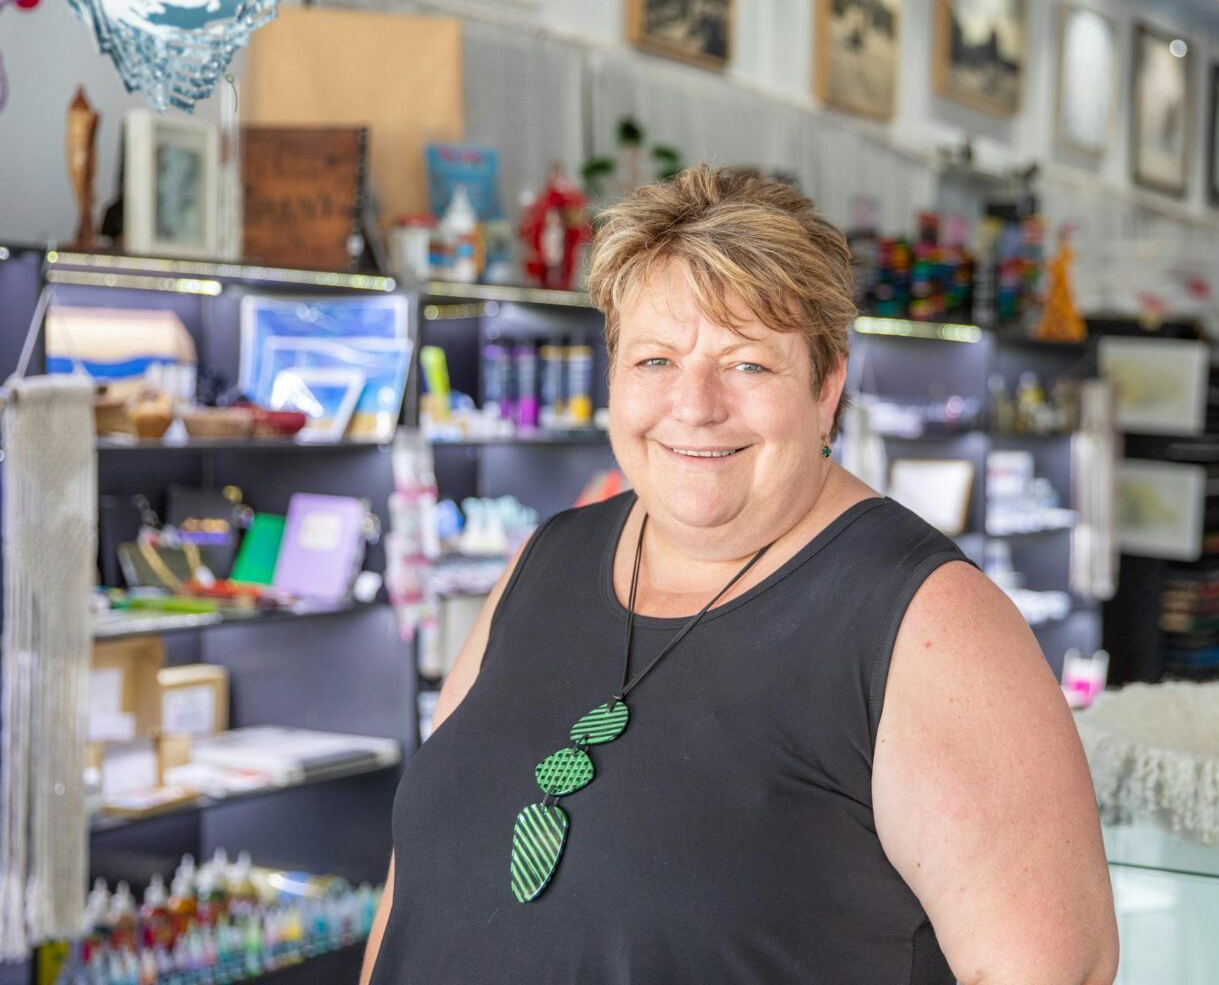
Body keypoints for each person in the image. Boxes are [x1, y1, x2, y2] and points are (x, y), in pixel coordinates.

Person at [361, 167, 1118, 984]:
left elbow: (1054, 969)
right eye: (654, 360)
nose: (694, 404)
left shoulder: (927, 626)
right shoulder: (546, 560)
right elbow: (416, 889)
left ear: (827, 387)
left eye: (748, 365)